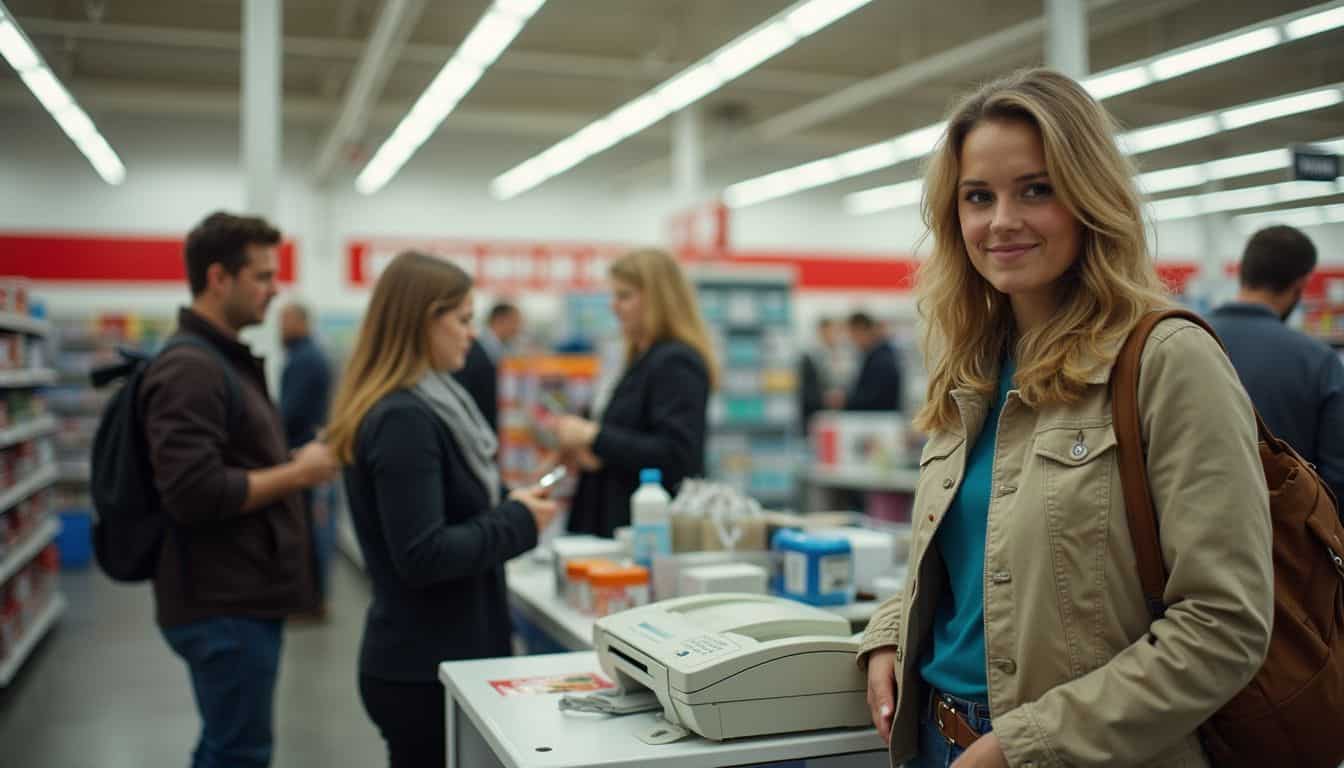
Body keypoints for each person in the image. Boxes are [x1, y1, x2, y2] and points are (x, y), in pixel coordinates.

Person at [858, 69, 1273, 768]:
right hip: (935, 738)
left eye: (1037, 189)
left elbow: (1224, 625)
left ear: (1089, 197)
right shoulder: (973, 368)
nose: (1002, 221)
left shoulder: (1167, 359)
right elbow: (969, 565)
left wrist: (1024, 745)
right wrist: (890, 631)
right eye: (978, 197)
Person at [325, 251, 557, 767]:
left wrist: (505, 505)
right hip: (424, 669)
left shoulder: (427, 404)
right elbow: (423, 554)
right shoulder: (405, 418)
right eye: (463, 320)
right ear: (420, 321)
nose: (472, 335)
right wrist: (517, 520)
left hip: (435, 654)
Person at [140, 212, 341, 768]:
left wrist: (292, 461)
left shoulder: (222, 361)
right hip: (221, 602)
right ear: (218, 278)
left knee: (228, 746)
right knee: (239, 753)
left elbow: (226, 464)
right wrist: (297, 475)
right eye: (262, 275)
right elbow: (193, 491)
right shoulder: (192, 369)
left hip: (237, 593)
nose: (275, 290)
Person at [550, 249, 716, 538]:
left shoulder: (676, 362)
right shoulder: (639, 359)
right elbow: (633, 440)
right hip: (610, 520)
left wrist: (591, 435)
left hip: (643, 532)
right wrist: (594, 452)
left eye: (624, 296)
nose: (614, 307)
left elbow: (677, 454)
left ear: (658, 300)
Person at [1207, 225, 1344, 516]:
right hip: (1291, 543)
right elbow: (1337, 477)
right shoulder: (1319, 362)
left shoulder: (1181, 340)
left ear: (1243, 270)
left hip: (1191, 535)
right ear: (1301, 284)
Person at [278, 302, 336, 617]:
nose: (280, 328)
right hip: (307, 458)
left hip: (305, 459)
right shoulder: (306, 356)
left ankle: (312, 602)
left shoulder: (305, 359)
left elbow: (290, 412)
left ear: (302, 322)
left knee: (311, 532)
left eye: (285, 321)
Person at [452, 301, 521, 433]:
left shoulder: (499, 349)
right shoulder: (474, 350)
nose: (518, 328)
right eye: (515, 322)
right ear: (501, 320)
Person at [828, 311, 903, 412]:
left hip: (879, 420)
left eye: (853, 335)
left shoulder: (881, 359)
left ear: (862, 330)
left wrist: (845, 401)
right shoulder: (876, 354)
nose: (852, 341)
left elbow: (874, 398)